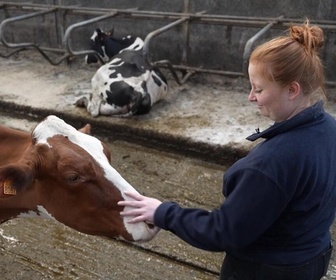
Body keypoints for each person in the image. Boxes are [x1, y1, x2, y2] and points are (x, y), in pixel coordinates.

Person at [118, 19, 336, 280]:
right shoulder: (329, 129)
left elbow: (222, 231)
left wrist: (162, 212)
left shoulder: (272, 163)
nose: (250, 97)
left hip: (266, 270)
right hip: (314, 257)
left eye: (259, 89)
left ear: (292, 90)